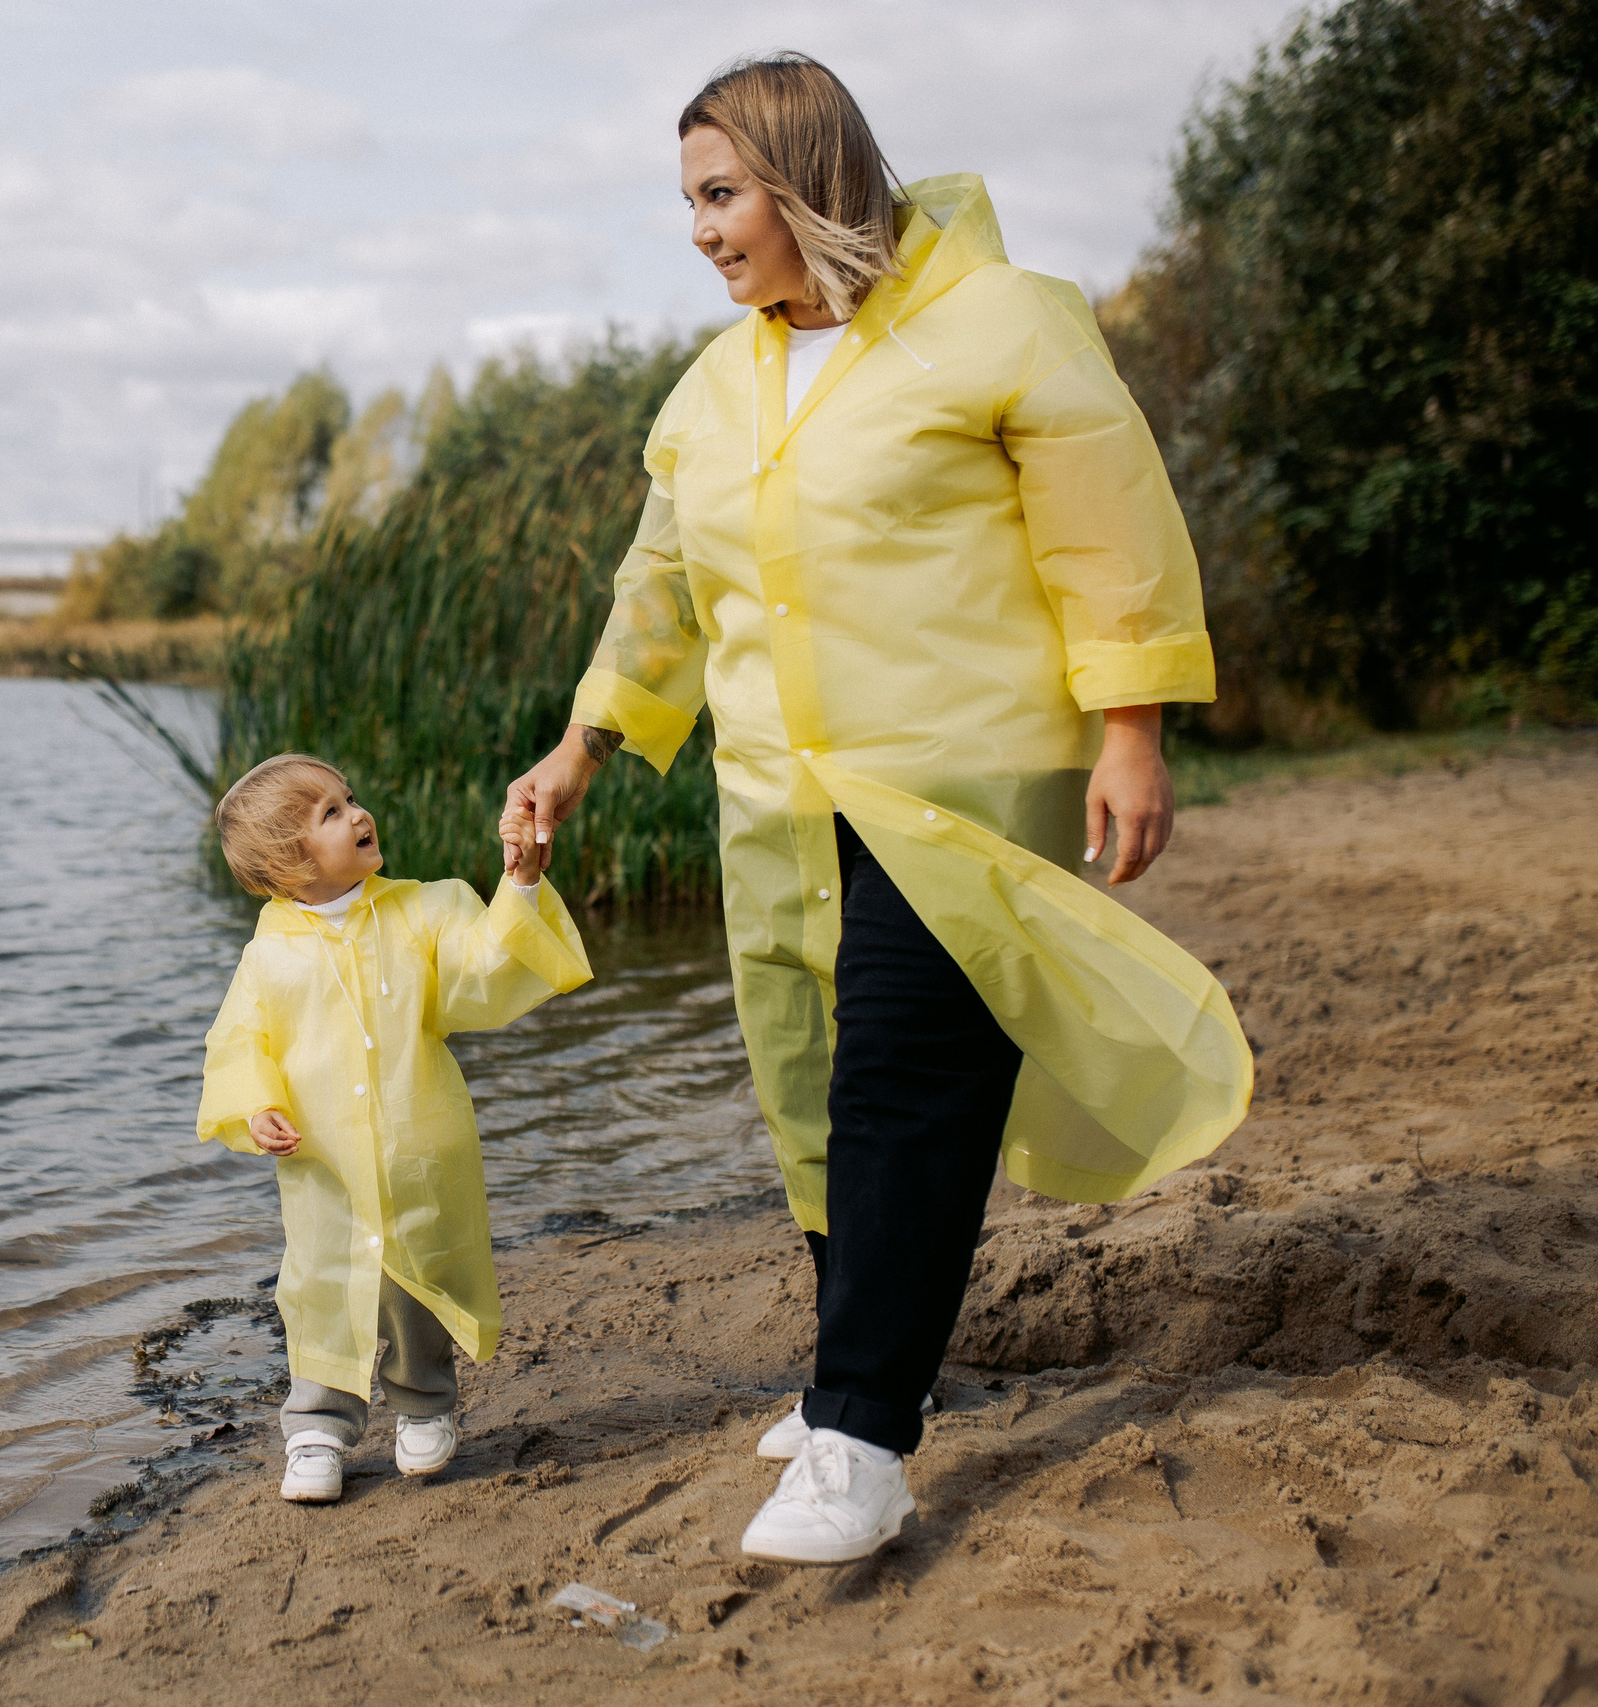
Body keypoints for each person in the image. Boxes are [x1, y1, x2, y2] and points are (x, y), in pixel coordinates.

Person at [506, 54, 1252, 1564]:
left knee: (906, 1073)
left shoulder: (997, 322)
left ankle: (862, 1430)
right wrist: (580, 747)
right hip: (778, 789)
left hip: (957, 777)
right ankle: (866, 1358)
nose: (703, 230)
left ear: (805, 177)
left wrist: (1131, 726)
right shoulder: (717, 383)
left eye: (722, 194)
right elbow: (660, 586)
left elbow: (1108, 526)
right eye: (691, 202)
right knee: (810, 1074)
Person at [198, 755, 590, 1504]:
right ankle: (317, 1426)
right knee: (320, 1287)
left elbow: (482, 971)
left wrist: (521, 883)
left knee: (420, 1286)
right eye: (330, 814)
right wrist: (256, 1107)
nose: (358, 813)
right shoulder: (270, 956)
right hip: (327, 1168)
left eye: (350, 798)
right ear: (288, 861)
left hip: (419, 1154)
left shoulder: (424, 910)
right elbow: (239, 1043)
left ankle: (424, 1404)